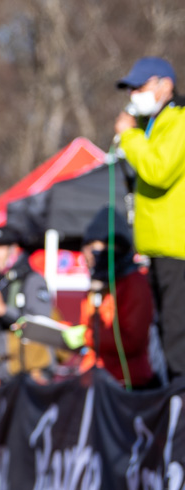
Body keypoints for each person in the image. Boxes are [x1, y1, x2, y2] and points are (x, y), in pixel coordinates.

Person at [115, 57, 185, 381]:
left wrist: (129, 137)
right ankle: (172, 401)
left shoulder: (180, 120)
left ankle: (179, 410)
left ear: (165, 85)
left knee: (177, 334)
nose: (133, 96)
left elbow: (158, 171)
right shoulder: (153, 124)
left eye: (140, 87)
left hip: (178, 250)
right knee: (165, 333)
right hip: (159, 249)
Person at [58, 207, 158, 389]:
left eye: (97, 248)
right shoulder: (97, 283)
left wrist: (87, 336)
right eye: (88, 247)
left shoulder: (134, 283)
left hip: (126, 384)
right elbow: (89, 327)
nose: (89, 254)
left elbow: (132, 341)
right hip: (95, 380)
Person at [0, 225, 53, 381]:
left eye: (0, 246)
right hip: (2, 376)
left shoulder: (32, 280)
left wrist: (3, 310)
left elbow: (41, 326)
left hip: (30, 375)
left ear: (13, 249)